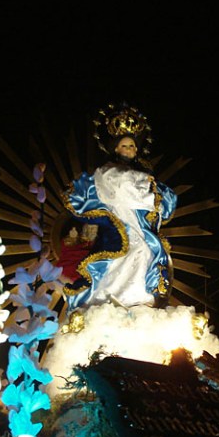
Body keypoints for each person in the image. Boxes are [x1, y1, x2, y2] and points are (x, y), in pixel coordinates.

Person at [61, 103, 177, 313]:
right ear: (115, 148)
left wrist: (147, 187)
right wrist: (145, 186)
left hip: (138, 224)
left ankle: (140, 301)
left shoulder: (142, 174)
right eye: (125, 145)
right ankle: (110, 301)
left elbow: (159, 197)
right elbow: (124, 185)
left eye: (132, 146)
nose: (129, 149)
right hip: (120, 224)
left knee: (145, 252)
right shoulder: (108, 171)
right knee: (128, 254)